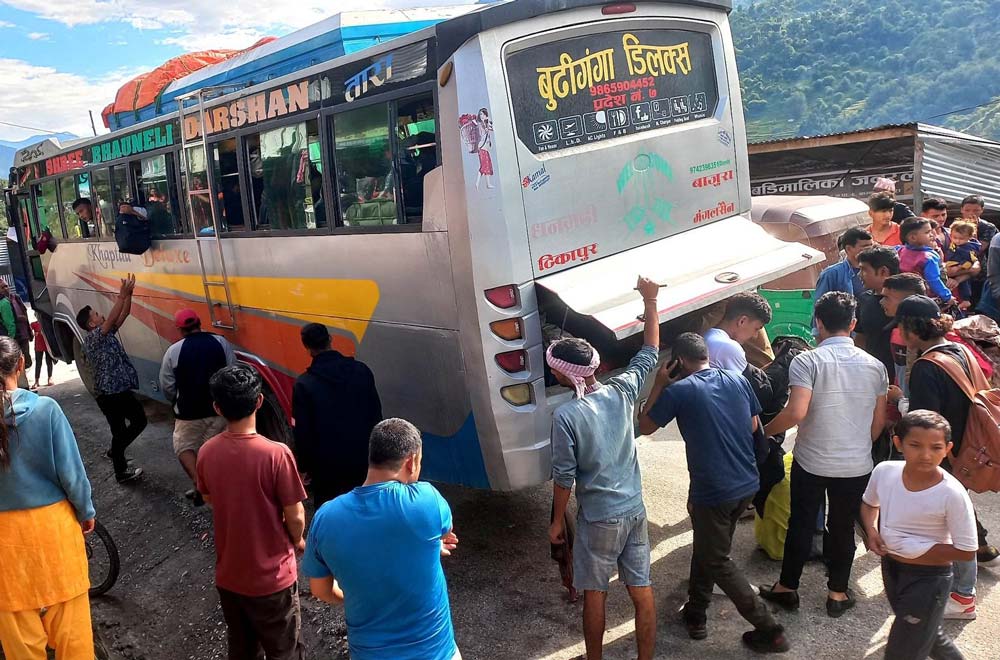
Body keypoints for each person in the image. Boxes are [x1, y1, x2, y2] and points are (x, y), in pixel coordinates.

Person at [638, 333, 789, 654]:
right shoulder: (737, 380)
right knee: (709, 547)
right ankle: (696, 612)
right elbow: (752, 428)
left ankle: (768, 627)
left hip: (713, 490)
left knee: (717, 558)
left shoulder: (678, 390)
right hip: (747, 484)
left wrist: (659, 384)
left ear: (677, 361)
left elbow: (645, 426)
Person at [548, 276, 661, 660]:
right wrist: (651, 299)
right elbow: (650, 349)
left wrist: (557, 521)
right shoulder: (623, 388)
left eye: (555, 371)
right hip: (635, 510)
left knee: (595, 592)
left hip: (599, 519)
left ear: (564, 375)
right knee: (641, 590)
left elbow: (564, 478)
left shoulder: (567, 416)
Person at [760, 292, 887, 617]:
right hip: (856, 464)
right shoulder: (876, 366)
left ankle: (787, 588)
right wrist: (858, 445)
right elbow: (878, 422)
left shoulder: (807, 361)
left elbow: (796, 412)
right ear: (853, 323)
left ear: (818, 322)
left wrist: (765, 430)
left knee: (801, 523)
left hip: (812, 461)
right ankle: (838, 594)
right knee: (842, 527)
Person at [303, 418, 460, 660]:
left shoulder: (326, 517)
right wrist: (429, 544)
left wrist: (352, 596)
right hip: (437, 654)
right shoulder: (428, 501)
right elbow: (444, 531)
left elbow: (320, 589)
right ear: (412, 461)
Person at [893, 295, 999, 620]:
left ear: (911, 329)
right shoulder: (958, 348)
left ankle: (963, 596)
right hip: (968, 446)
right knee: (960, 515)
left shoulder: (927, 367)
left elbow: (926, 423)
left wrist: (900, 404)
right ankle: (985, 553)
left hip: (948, 454)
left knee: (953, 525)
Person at [197, 365, 307, 660]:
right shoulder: (276, 454)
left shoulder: (206, 452)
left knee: (242, 649)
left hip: (230, 576)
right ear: (259, 401)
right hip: (272, 579)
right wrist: (296, 540)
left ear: (217, 408)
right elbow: (295, 513)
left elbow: (209, 497)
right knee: (284, 650)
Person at [0, 337, 96, 659]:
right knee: (73, 634)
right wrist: (85, 511)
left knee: (20, 642)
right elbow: (72, 475)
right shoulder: (46, 410)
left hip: (4, 547)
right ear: (21, 364)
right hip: (53, 532)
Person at [860, 410, 976, 659]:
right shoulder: (885, 471)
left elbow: (967, 551)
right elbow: (870, 504)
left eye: (936, 447)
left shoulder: (952, 493)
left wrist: (913, 546)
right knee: (929, 636)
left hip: (929, 580)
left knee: (902, 651)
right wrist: (871, 530)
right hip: (891, 569)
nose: (926, 455)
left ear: (948, 448)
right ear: (898, 443)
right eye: (915, 445)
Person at [292, 323, 382, 507]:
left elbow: (303, 433)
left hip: (327, 466)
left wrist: (304, 467)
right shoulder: (361, 370)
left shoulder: (304, 384)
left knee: (329, 511)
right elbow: (376, 414)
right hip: (362, 456)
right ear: (330, 339)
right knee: (367, 506)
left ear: (306, 347)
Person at [159, 309, 236, 506]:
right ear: (200, 323)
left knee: (183, 447)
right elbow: (232, 371)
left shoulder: (173, 351)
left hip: (188, 414)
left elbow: (167, 385)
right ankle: (226, 488)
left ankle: (198, 482)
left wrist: (175, 401)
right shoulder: (220, 342)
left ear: (180, 329)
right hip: (219, 410)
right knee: (216, 451)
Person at [75, 274, 145, 483]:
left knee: (121, 429)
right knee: (137, 422)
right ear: (91, 324)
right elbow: (114, 317)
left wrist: (128, 296)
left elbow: (123, 315)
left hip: (115, 391)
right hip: (111, 394)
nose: (101, 314)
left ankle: (118, 460)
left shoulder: (104, 334)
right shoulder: (94, 338)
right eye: (96, 314)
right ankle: (118, 459)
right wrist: (121, 296)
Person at [879, 273, 927, 407]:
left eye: (886, 298)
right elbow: (899, 375)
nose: (881, 302)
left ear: (909, 300)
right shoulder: (895, 332)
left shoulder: (929, 337)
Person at [855, 245, 901, 378]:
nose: (859, 275)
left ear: (883, 271)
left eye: (864, 270)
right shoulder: (864, 299)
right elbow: (860, 338)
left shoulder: (907, 300)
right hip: (873, 374)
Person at [703, 292, 772, 373]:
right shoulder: (728, 347)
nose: (755, 336)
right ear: (742, 321)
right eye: (756, 329)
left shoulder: (707, 335)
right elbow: (747, 384)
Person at [898, 218, 954, 306]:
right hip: (926, 298)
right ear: (913, 237)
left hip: (903, 295)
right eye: (927, 232)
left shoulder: (901, 250)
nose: (932, 235)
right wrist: (947, 296)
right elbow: (933, 280)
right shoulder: (929, 257)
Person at [813, 227, 872, 304]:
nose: (870, 251)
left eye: (871, 246)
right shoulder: (831, 274)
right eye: (865, 248)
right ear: (848, 249)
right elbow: (819, 308)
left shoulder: (877, 270)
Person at [943, 221, 981, 308]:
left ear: (969, 237)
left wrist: (960, 267)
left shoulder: (968, 248)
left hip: (961, 267)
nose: (957, 240)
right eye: (954, 237)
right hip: (952, 264)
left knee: (964, 283)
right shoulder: (955, 245)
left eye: (961, 238)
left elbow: (971, 260)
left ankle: (966, 299)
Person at [0, 279, 33, 374]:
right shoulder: (3, 303)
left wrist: (29, 331)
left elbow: (24, 314)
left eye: (6, 286)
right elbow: (9, 323)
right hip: (12, 338)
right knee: (16, 362)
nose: (6, 289)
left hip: (22, 335)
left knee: (26, 361)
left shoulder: (15, 298)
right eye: (2, 287)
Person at [29, 312, 54, 389]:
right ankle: (37, 381)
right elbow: (29, 332)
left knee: (49, 362)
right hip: (38, 346)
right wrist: (34, 334)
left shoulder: (46, 324)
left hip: (47, 345)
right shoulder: (34, 324)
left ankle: (50, 378)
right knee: (38, 363)